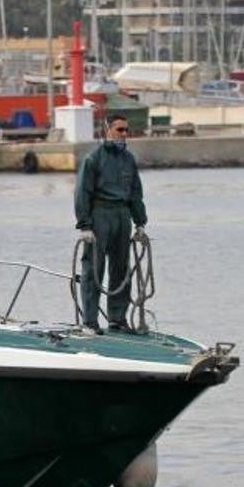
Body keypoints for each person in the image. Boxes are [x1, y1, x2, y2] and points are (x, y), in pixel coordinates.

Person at [74, 114, 148, 334]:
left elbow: (136, 192)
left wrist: (140, 222)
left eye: (126, 130)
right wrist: (84, 225)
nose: (124, 134)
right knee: (93, 269)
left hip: (122, 215)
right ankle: (90, 321)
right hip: (99, 214)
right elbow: (82, 193)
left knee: (121, 269)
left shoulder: (128, 159)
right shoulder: (93, 159)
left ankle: (117, 318)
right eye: (119, 130)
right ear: (107, 130)